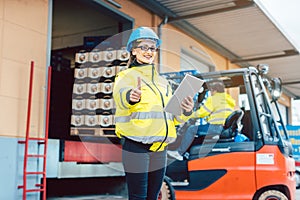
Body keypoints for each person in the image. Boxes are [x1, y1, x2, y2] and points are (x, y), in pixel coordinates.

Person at [113, 27, 194, 200]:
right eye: (144, 47)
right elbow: (121, 96)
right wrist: (130, 97)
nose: (149, 52)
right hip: (136, 146)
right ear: (133, 50)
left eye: (152, 48)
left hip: (160, 148)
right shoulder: (125, 76)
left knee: (153, 196)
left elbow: (173, 116)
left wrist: (186, 110)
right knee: (138, 197)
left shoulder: (163, 82)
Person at [167, 81, 236, 160]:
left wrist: (189, 114)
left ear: (214, 90)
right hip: (222, 127)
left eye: (211, 91)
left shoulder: (214, 98)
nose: (211, 92)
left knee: (191, 129)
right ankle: (187, 152)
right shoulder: (227, 99)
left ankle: (179, 153)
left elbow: (202, 113)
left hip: (215, 127)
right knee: (197, 131)